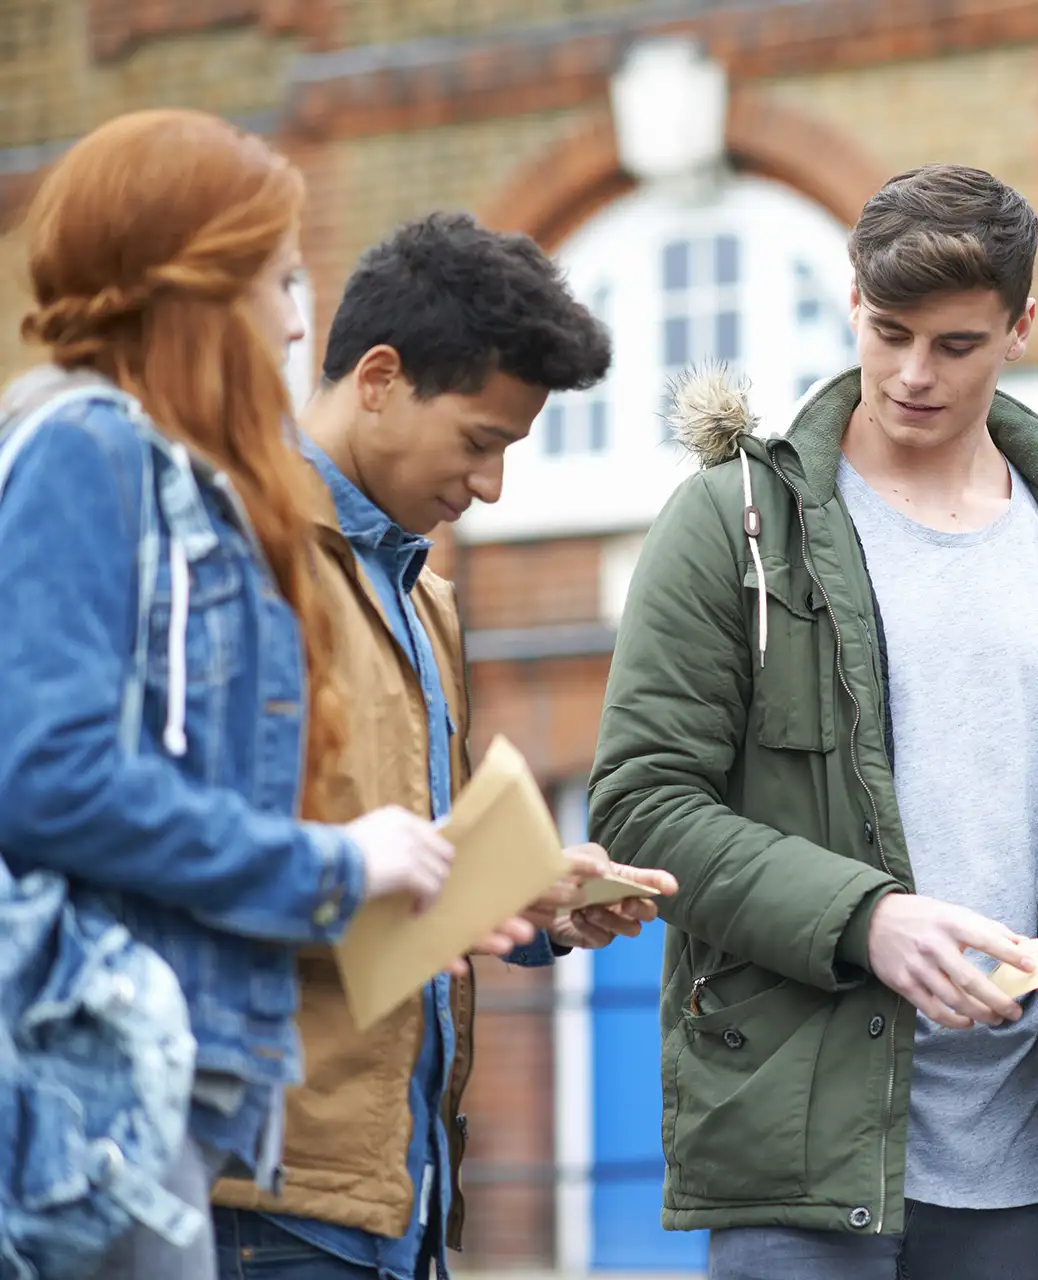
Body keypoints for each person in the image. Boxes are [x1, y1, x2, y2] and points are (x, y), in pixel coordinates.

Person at [588, 163, 1038, 1277]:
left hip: (1022, 1155)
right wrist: (863, 917)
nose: (913, 374)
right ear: (853, 300)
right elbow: (640, 805)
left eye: (956, 344)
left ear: (1022, 326)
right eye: (889, 331)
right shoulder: (728, 522)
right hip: (799, 1154)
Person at [0, 109, 464, 1279]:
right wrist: (337, 867)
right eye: (278, 275)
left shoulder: (179, 478)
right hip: (95, 1100)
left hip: (171, 1102)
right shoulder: (83, 450)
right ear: (191, 285)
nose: (297, 315)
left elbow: (184, 803)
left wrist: (393, 879)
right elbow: (44, 776)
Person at [209, 212, 674, 1279]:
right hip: (256, 1197)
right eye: (481, 441)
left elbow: (413, 861)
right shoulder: (231, 549)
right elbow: (190, 847)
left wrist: (534, 892)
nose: (494, 486)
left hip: (399, 1195)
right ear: (379, 376)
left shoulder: (431, 602)